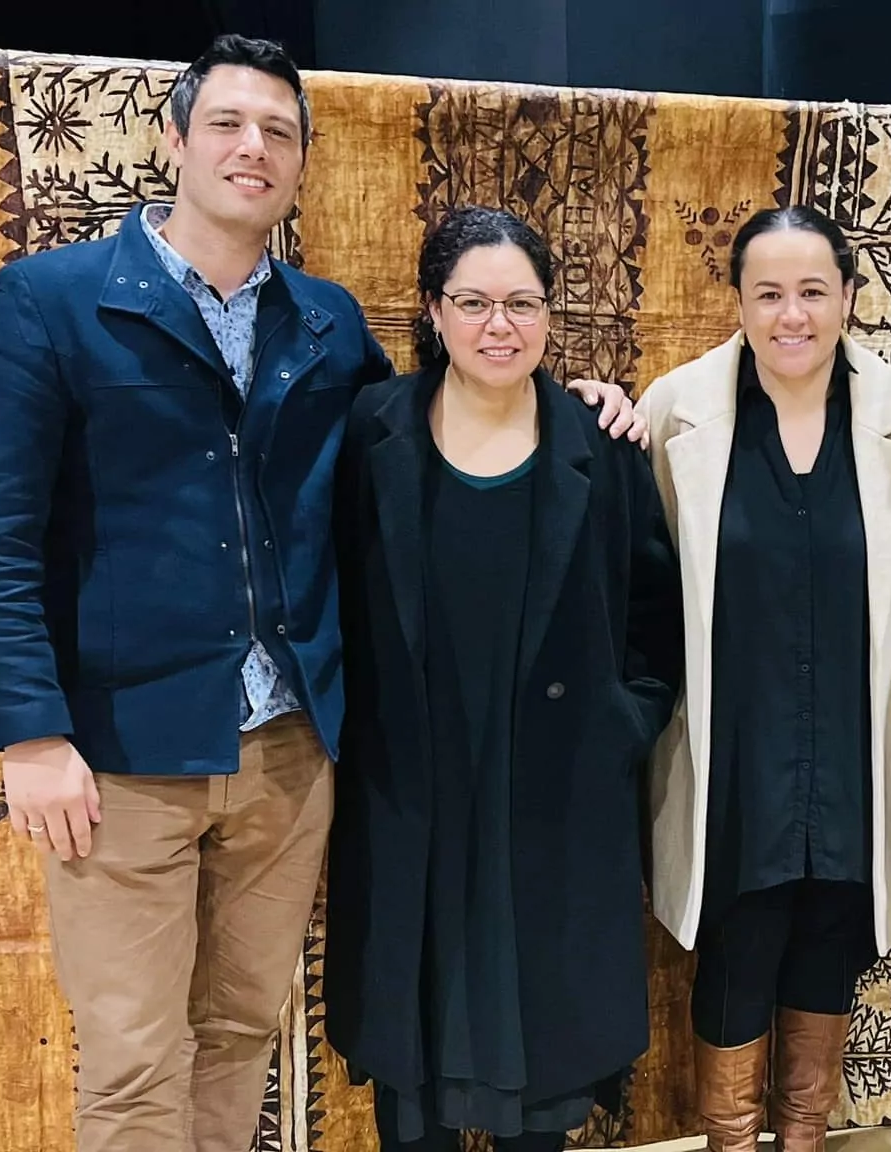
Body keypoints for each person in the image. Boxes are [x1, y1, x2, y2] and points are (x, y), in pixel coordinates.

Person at [0, 35, 641, 1152]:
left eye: (277, 131)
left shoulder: (322, 324)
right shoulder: (48, 304)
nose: (250, 147)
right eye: (224, 123)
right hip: (124, 754)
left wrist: (579, 399)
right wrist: (30, 733)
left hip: (287, 752)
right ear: (174, 140)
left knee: (235, 1033)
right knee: (131, 1060)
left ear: (303, 162)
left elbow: (435, 423)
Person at [325, 205, 684, 1152]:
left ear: (550, 314)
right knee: (415, 1052)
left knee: (545, 1065)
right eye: (474, 301)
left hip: (557, 795)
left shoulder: (601, 446)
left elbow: (656, 616)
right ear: (433, 310)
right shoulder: (371, 432)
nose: (500, 325)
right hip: (412, 790)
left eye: (523, 303)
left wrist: (621, 726)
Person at [634, 205, 891, 1152]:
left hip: (858, 755)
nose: (792, 314)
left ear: (850, 297)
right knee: (736, 950)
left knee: (829, 943)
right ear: (736, 300)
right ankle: (733, 1140)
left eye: (814, 291)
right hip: (732, 755)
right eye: (768, 293)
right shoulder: (671, 412)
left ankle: (803, 1136)